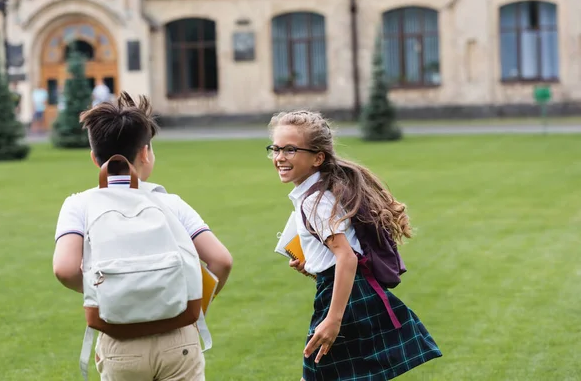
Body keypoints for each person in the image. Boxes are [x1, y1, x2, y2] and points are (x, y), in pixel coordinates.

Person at [52, 91, 233, 380]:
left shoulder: (79, 205)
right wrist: (189, 305)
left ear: (93, 158)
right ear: (145, 152)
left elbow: (64, 269)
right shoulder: (170, 202)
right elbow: (221, 261)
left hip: (119, 341)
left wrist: (110, 291)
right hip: (179, 339)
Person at [266, 110, 442, 380]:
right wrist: (312, 265)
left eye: (290, 149)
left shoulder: (315, 201)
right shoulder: (319, 192)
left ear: (318, 158)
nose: (279, 157)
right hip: (350, 292)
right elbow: (342, 256)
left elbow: (347, 258)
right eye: (276, 148)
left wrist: (333, 320)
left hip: (342, 301)